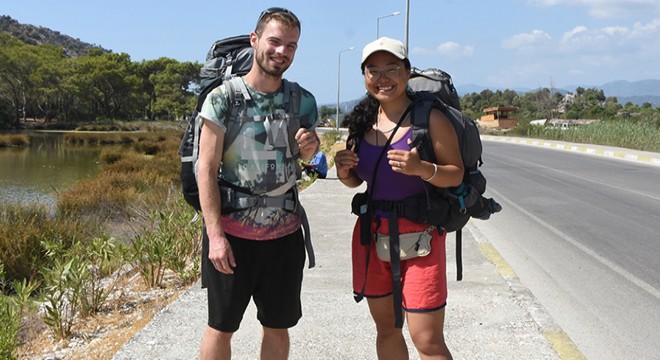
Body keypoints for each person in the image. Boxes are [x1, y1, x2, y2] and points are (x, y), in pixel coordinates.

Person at [196, 7, 319, 360]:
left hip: (284, 237)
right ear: (255, 41)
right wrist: (215, 237)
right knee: (221, 326)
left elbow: (307, 159)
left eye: (291, 45)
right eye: (275, 41)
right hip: (233, 237)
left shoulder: (303, 100)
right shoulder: (222, 99)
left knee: (277, 326)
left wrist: (312, 150)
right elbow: (206, 168)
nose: (282, 52)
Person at [333, 37, 463, 359]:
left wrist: (422, 168)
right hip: (373, 237)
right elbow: (357, 181)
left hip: (422, 237)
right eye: (373, 71)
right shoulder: (360, 123)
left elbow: (455, 173)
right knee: (387, 329)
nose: (383, 78)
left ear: (407, 71)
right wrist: (343, 170)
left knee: (427, 340)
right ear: (364, 77)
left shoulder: (429, 120)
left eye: (392, 69)